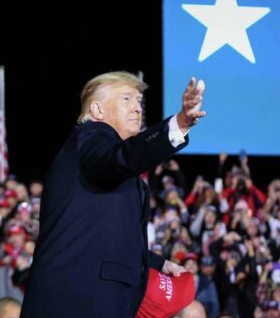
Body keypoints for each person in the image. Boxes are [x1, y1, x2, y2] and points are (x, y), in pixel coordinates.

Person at [20, 71, 206, 317]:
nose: (137, 108)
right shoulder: (90, 139)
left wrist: (159, 263)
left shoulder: (110, 165)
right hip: (76, 301)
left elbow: (105, 239)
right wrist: (179, 123)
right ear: (97, 111)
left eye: (139, 101)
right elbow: (121, 158)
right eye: (127, 99)